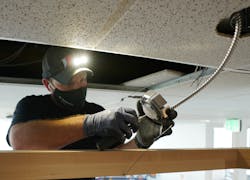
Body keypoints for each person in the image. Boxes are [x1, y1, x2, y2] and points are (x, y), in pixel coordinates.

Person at [6, 46, 177, 178]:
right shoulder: (31, 106)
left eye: (83, 79)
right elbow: (20, 141)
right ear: (47, 84)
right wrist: (91, 124)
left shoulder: (96, 111)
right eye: (70, 82)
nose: (78, 86)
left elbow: (112, 163)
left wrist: (142, 140)